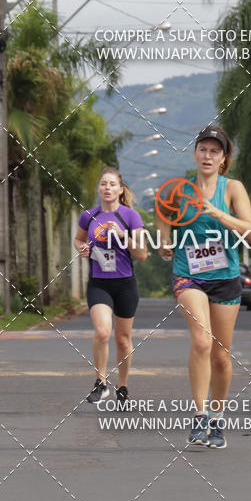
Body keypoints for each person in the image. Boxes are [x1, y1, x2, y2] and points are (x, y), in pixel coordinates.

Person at [157, 125, 251, 449]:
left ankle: (217, 418)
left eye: (215, 151)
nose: (208, 155)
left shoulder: (232, 189)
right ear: (194, 153)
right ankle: (199, 415)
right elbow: (162, 212)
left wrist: (218, 213)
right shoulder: (179, 189)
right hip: (188, 274)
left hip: (225, 276)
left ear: (223, 158)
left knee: (220, 357)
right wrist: (164, 240)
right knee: (202, 341)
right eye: (203, 149)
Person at [74, 168, 147, 406]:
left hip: (125, 284)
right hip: (99, 284)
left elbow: (142, 253)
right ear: (99, 188)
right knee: (103, 332)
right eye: (104, 184)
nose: (107, 188)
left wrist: (123, 235)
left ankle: (122, 386)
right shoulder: (89, 215)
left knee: (123, 339)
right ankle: (101, 382)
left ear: (120, 189)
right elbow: (79, 239)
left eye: (112, 184)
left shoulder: (131, 216)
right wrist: (81, 248)